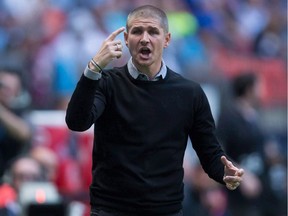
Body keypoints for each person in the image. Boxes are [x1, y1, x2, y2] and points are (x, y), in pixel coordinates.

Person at [65, 5, 244, 216]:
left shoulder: (190, 93)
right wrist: (93, 69)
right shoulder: (106, 83)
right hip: (111, 210)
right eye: (137, 31)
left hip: (165, 211)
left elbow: (209, 153)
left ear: (166, 40)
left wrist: (225, 173)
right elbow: (77, 122)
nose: (144, 38)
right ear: (126, 38)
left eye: (153, 32)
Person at [216, 72, 265, 216]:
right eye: (259, 86)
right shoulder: (228, 116)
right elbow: (220, 151)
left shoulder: (254, 115)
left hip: (259, 187)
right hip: (237, 190)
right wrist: (243, 176)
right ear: (249, 89)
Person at [0, 67, 32, 179]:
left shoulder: (21, 109)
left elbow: (24, 133)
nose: (5, 91)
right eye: (2, 86)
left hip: (13, 166)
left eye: (10, 88)